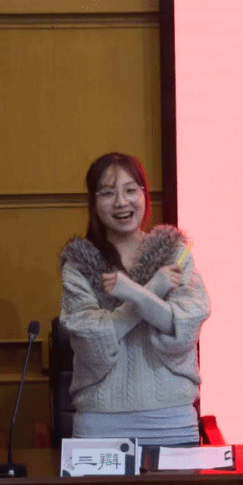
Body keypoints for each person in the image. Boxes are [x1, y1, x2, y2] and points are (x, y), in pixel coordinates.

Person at [59, 153, 210, 445]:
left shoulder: (174, 254)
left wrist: (135, 292)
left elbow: (182, 328)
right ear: (93, 201)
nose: (121, 202)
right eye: (107, 193)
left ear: (144, 194)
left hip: (171, 420)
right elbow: (92, 342)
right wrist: (152, 288)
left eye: (130, 190)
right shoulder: (79, 265)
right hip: (100, 423)